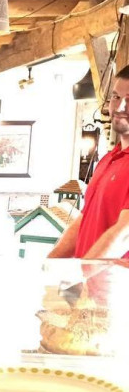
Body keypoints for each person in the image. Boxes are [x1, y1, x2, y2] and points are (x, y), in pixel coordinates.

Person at [49, 66, 129, 259]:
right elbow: (84, 221)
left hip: (115, 286)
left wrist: (84, 273)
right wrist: (50, 265)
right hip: (88, 284)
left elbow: (124, 234)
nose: (119, 107)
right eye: (116, 97)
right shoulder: (108, 160)